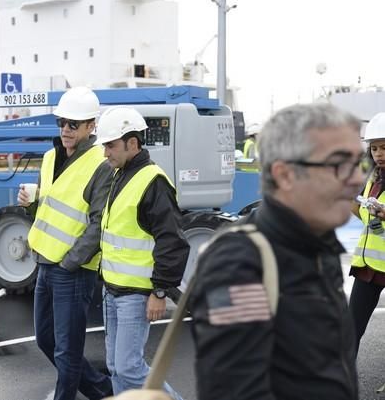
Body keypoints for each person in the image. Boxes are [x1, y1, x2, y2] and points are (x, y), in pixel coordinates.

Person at [190, 103, 362, 400]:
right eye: (339, 164)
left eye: (360, 164)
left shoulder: (320, 247)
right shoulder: (239, 264)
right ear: (285, 175)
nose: (358, 179)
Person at [19, 86, 114, 400]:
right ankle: (104, 392)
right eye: (62, 122)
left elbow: (100, 222)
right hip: (45, 264)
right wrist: (29, 204)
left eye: (74, 124)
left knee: (67, 351)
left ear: (91, 126)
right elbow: (49, 208)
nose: (65, 129)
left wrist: (71, 261)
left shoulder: (101, 163)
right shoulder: (49, 158)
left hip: (73, 269)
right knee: (46, 340)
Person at [95, 106, 189, 398]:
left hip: (136, 294)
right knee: (115, 366)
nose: (105, 153)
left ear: (132, 143)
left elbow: (172, 242)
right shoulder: (120, 174)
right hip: (112, 290)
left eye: (110, 145)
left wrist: (159, 291)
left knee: (129, 368)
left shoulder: (153, 182)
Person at [349, 111, 385, 353]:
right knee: (350, 330)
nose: (379, 154)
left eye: (384, 147)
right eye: (374, 149)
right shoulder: (372, 179)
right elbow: (361, 214)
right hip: (369, 267)